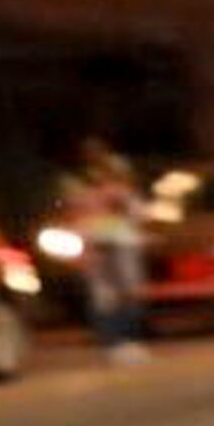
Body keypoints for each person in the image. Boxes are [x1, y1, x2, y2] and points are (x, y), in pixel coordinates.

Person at [68, 139, 150, 365]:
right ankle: (113, 345)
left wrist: (122, 206)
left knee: (129, 294)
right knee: (104, 299)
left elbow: (138, 216)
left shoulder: (124, 192)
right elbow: (77, 219)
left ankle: (130, 342)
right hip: (97, 248)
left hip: (122, 246)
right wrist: (84, 250)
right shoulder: (83, 193)